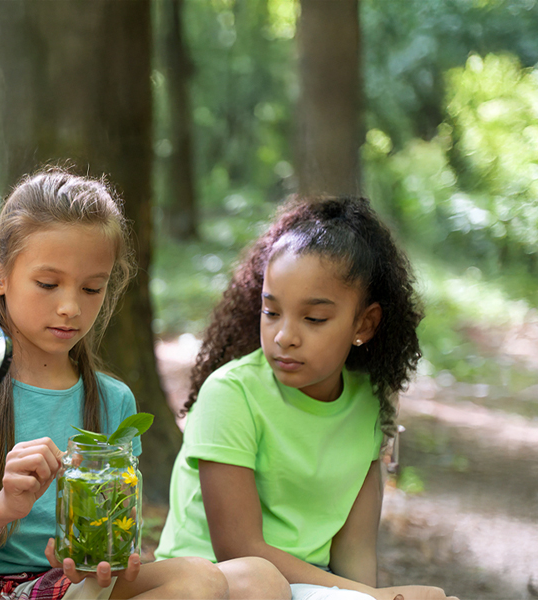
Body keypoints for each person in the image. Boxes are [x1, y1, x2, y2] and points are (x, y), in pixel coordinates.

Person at [0, 170, 290, 600]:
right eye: (48, 284)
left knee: (259, 580)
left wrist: (105, 554)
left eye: (92, 288)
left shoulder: (113, 401)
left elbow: (112, 552)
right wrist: (2, 507)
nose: (69, 307)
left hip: (68, 589)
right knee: (198, 582)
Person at [155, 197, 458, 600]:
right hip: (223, 584)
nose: (285, 336)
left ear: (364, 324)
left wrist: (367, 597)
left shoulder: (370, 405)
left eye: (313, 319)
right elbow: (239, 549)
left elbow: (354, 554)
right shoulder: (231, 394)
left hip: (313, 585)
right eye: (271, 312)